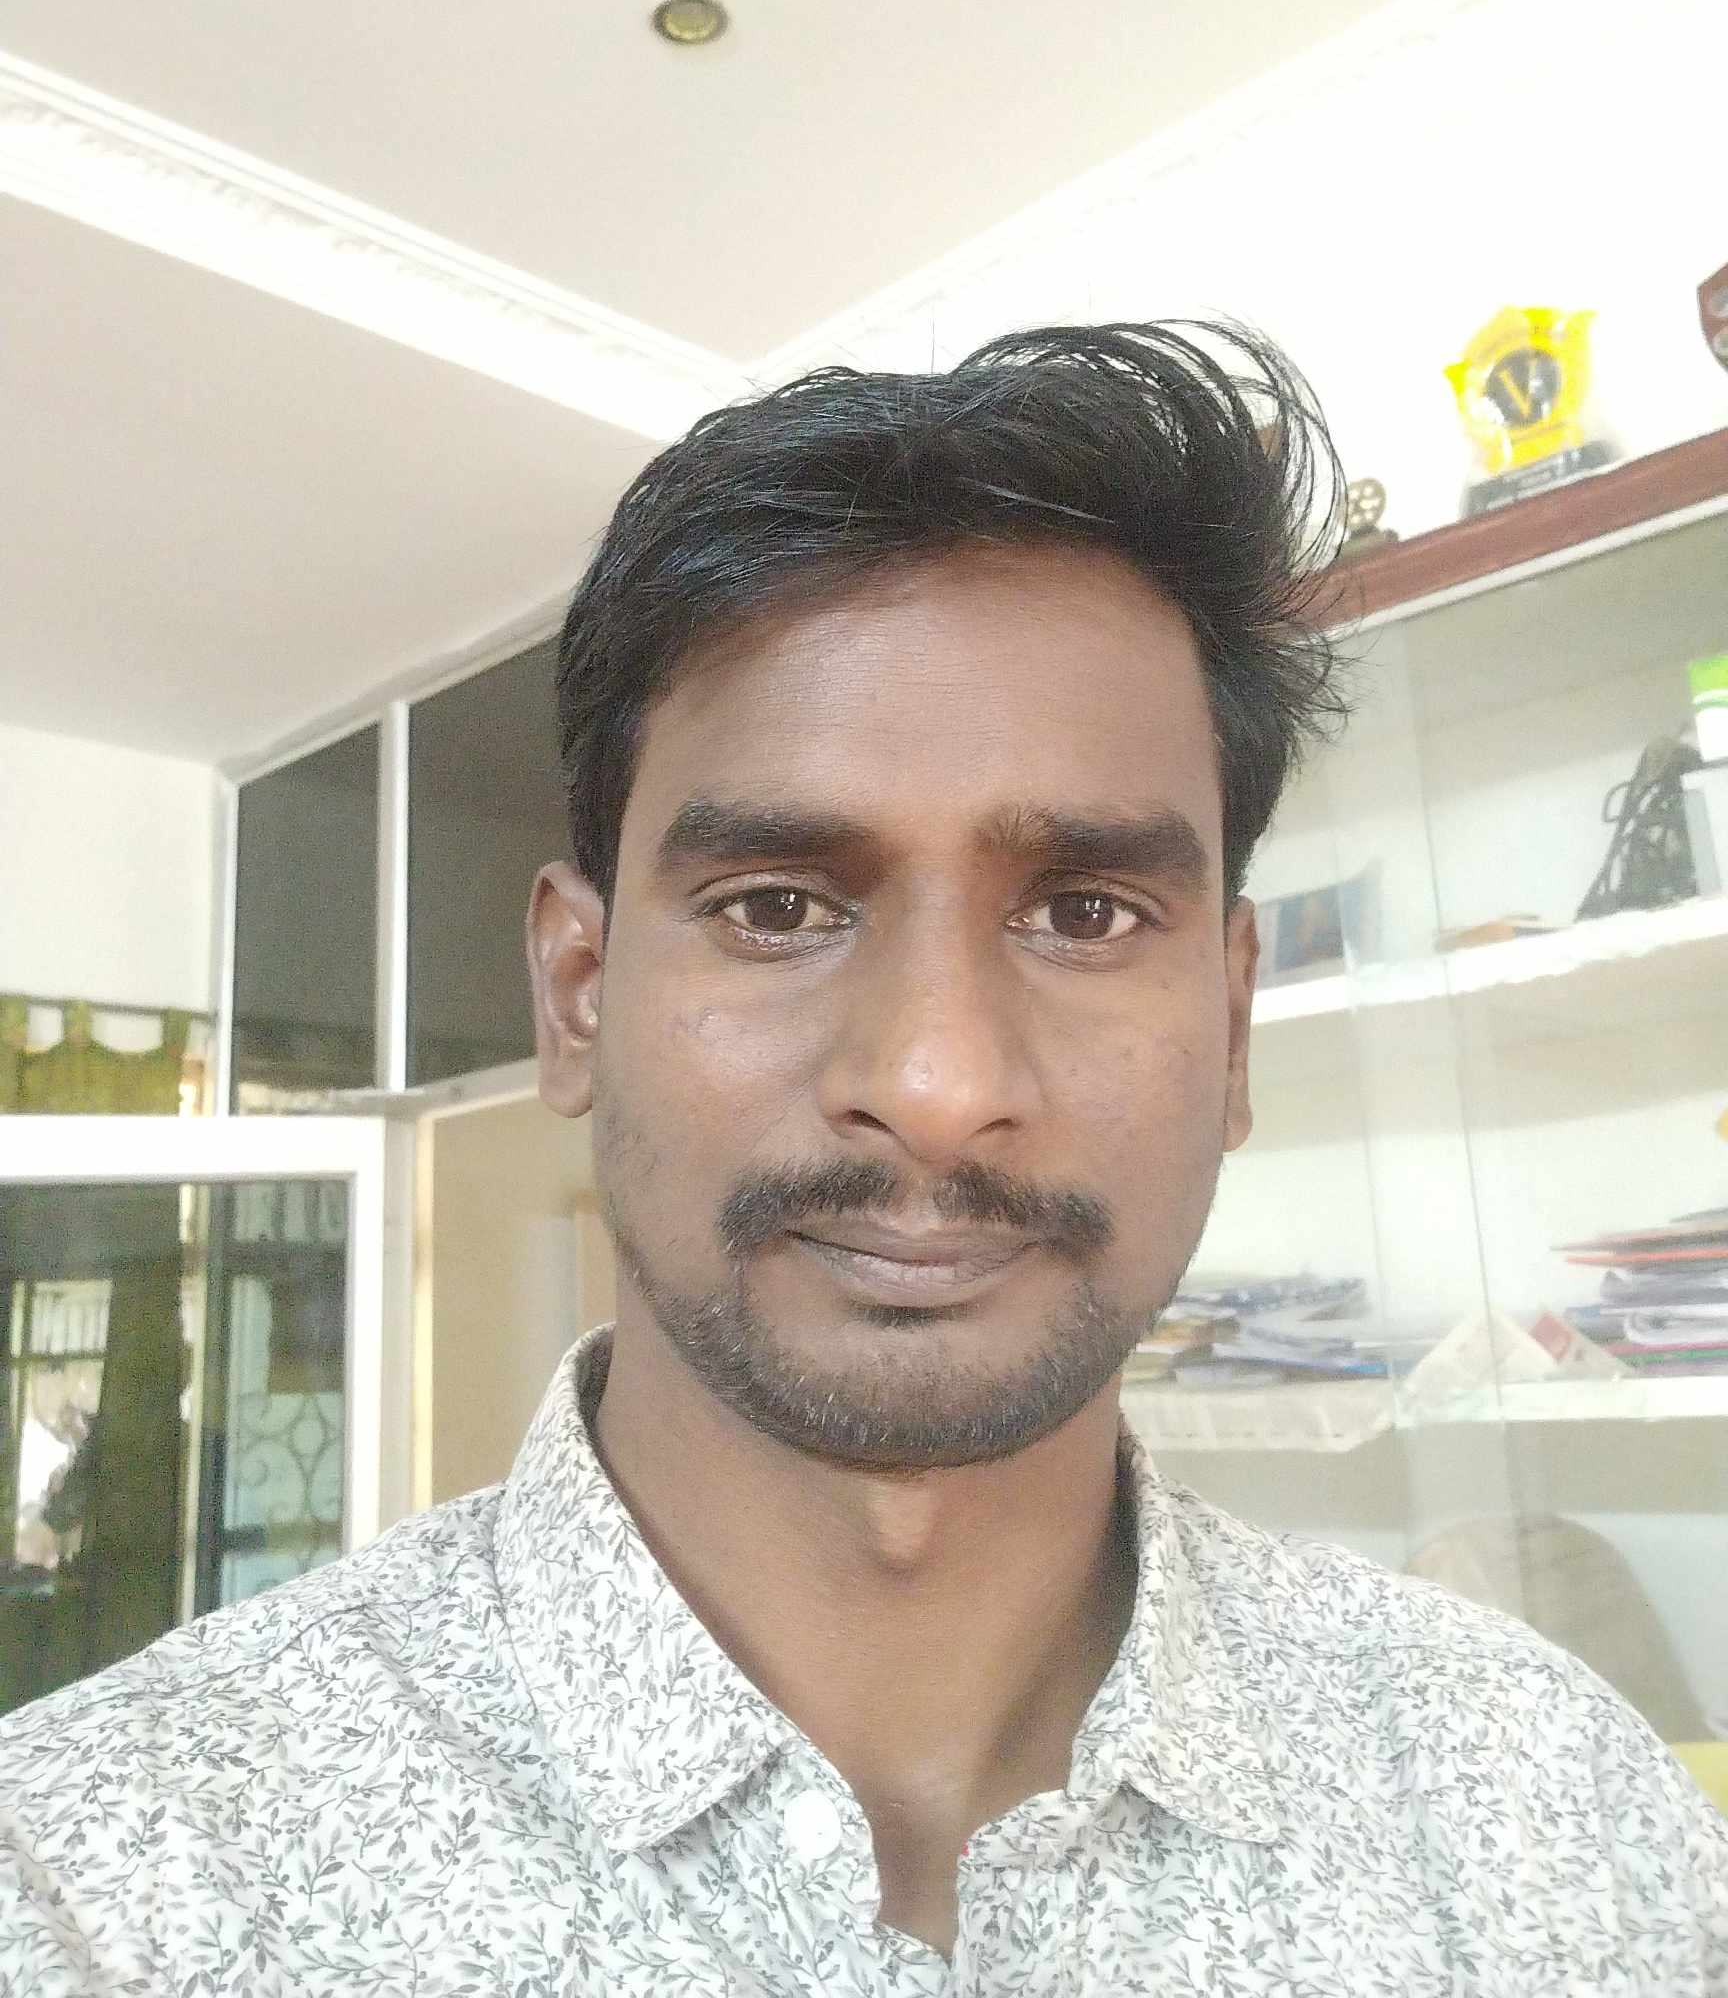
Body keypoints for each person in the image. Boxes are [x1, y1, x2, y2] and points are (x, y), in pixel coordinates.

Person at [2, 324, 1724, 1993]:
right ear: (580, 994)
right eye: (777, 906)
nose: (934, 1083)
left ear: (1231, 1020)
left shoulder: (1558, 1816)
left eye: (1085, 912)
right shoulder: (103, 1882)